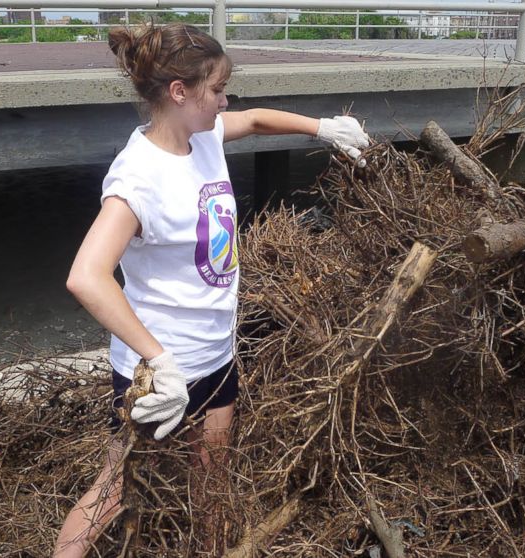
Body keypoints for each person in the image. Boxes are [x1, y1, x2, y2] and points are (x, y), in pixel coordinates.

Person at [55, 22, 370, 557]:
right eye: (217, 89)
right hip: (159, 373)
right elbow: (86, 277)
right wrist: (158, 361)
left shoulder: (202, 137)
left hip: (216, 355)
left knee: (213, 477)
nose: (226, 100)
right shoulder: (137, 177)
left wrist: (324, 128)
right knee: (113, 490)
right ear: (180, 93)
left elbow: (253, 120)